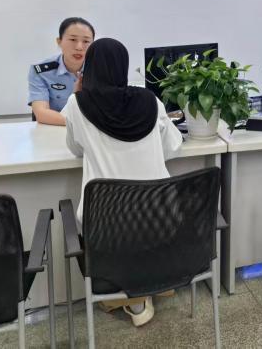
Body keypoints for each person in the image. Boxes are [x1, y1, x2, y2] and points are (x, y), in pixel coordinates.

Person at [63, 38, 183, 326]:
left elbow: (75, 149)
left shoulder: (77, 104)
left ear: (89, 67)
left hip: (105, 222)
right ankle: (151, 285)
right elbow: (172, 148)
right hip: (160, 215)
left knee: (110, 226)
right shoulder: (150, 100)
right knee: (142, 226)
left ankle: (129, 296)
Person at [28, 17, 95, 126]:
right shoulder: (42, 71)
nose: (79, 47)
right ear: (59, 42)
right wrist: (79, 124)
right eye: (73, 39)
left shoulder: (100, 69)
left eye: (86, 41)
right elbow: (41, 113)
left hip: (90, 130)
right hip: (53, 127)